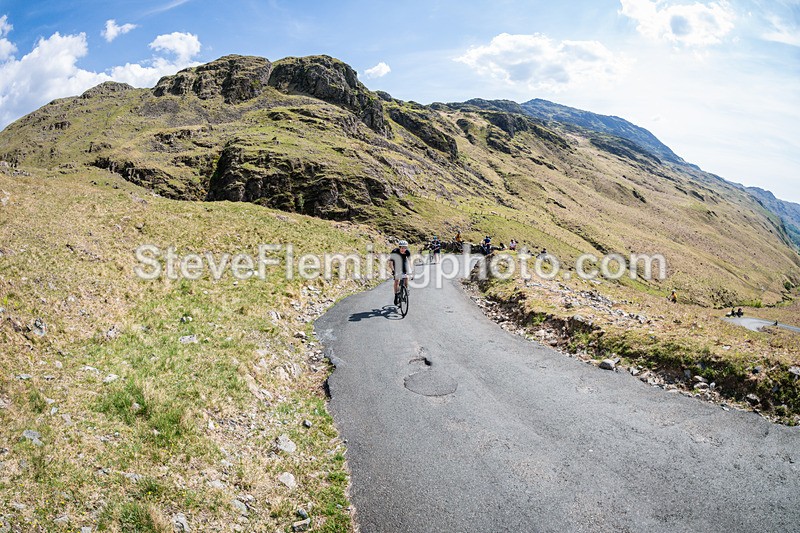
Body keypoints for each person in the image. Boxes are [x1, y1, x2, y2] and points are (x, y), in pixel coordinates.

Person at [388, 240, 412, 305]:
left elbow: (410, 262)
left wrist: (411, 271)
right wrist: (393, 271)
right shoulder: (395, 251)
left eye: (405, 248)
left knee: (406, 277)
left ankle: (406, 289)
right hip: (396, 265)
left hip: (403, 264)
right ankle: (396, 295)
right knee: (397, 281)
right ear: (399, 247)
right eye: (402, 248)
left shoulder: (407, 252)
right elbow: (390, 263)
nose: (403, 249)